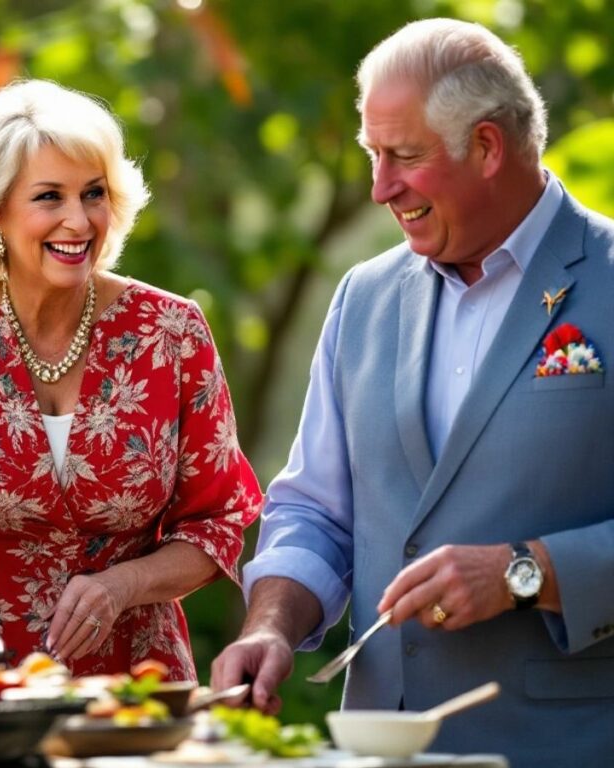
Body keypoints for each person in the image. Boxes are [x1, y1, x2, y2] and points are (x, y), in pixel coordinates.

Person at [212, 18, 614, 766]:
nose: (379, 188)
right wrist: (268, 625)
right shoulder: (361, 298)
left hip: (567, 745)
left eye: (405, 156)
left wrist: (526, 573)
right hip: (379, 749)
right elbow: (313, 510)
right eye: (372, 154)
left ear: (489, 147)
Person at [0, 79, 261, 680]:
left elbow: (218, 523)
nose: (79, 220)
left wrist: (124, 584)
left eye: (93, 194)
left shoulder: (173, 331)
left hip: (134, 680)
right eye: (49, 197)